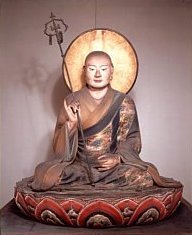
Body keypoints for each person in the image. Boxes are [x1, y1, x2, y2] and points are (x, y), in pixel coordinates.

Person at [31, 51, 182, 191]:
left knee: (143, 177)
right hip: (80, 166)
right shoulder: (72, 100)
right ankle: (94, 184)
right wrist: (70, 125)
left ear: (112, 71)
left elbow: (132, 138)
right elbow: (59, 146)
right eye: (92, 69)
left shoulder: (124, 102)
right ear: (84, 71)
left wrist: (118, 158)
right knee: (46, 174)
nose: (97, 74)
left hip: (112, 169)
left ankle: (95, 184)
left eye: (103, 69)